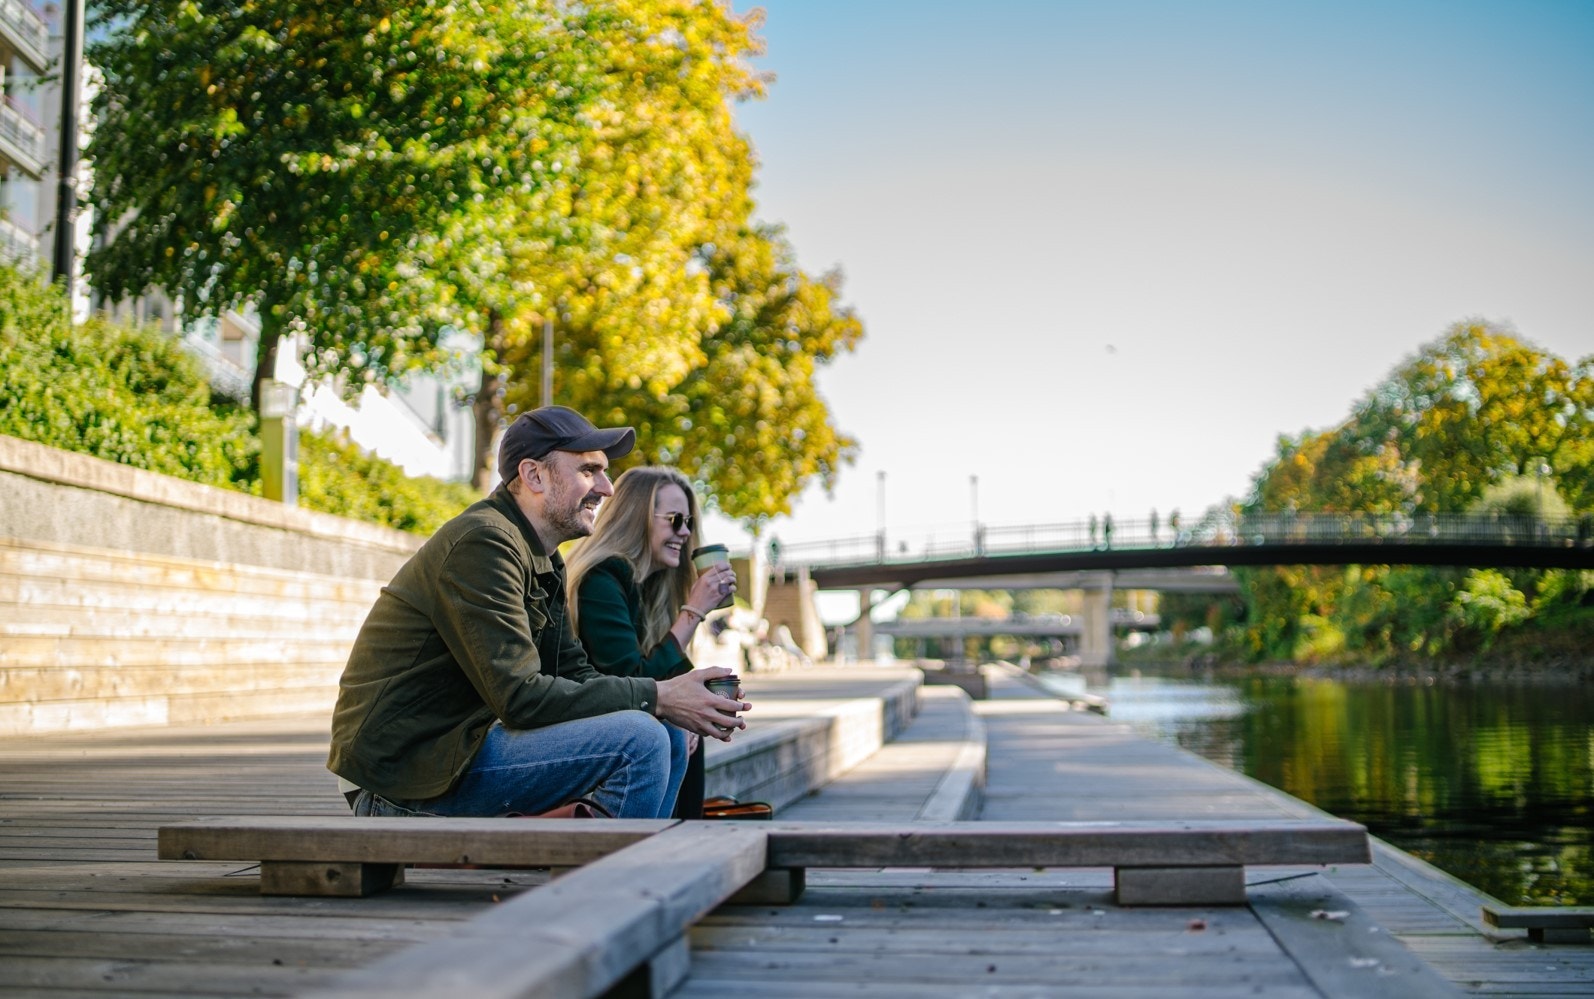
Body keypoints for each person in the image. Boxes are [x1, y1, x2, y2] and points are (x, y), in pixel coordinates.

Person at [327, 405, 749, 820]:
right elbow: (521, 698)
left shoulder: (542, 557)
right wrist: (659, 695)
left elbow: (575, 673)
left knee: (667, 732)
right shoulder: (484, 544)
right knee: (640, 740)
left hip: (455, 748)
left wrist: (674, 697)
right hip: (399, 777)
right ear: (534, 475)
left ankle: (634, 868)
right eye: (589, 470)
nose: (607, 488)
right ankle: (614, 884)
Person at [565, 467, 739, 819]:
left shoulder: (650, 587)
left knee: (685, 724)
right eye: (675, 520)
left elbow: (670, 672)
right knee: (675, 728)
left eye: (688, 521)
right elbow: (634, 674)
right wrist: (693, 611)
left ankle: (681, 843)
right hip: (578, 723)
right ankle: (665, 848)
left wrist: (710, 697)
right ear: (637, 518)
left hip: (618, 719)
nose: (685, 532)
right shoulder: (603, 577)